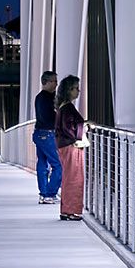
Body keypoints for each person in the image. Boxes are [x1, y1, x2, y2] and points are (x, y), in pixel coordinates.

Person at [55, 75, 90, 221]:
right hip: (71, 145)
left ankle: (66, 210)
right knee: (75, 178)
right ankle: (72, 211)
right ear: (69, 90)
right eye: (76, 88)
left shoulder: (63, 107)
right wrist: (78, 135)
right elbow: (68, 126)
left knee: (69, 177)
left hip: (64, 145)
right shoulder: (68, 107)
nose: (79, 91)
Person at [32, 71, 61, 204]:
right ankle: (50, 193)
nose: (56, 84)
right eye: (54, 81)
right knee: (58, 165)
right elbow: (48, 117)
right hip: (47, 134)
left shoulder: (39, 97)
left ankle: (44, 193)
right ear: (47, 82)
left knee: (43, 164)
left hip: (40, 133)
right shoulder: (46, 98)